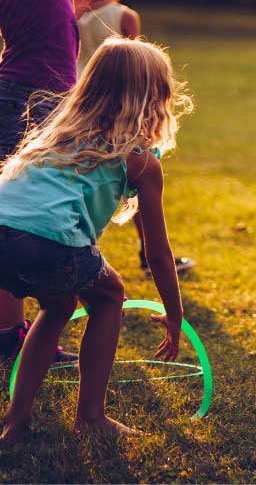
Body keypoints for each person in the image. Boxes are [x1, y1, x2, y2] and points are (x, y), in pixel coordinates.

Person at [0, 0, 214, 367]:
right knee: (36, 214)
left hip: (19, 86)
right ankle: (14, 335)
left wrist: (78, 1)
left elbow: (36, 28)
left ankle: (15, 331)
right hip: (35, 96)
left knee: (14, 212)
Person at [0, 39, 190, 442]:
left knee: (59, 306)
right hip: (48, 243)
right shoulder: (139, 159)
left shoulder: (53, 133)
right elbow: (157, 253)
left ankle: (16, 420)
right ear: (153, 99)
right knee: (108, 296)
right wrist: (174, 314)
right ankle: (90, 418)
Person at [76, 0, 196, 279]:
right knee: (140, 178)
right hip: (120, 108)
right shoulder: (125, 16)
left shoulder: (75, 12)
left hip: (79, 103)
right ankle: (150, 253)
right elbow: (134, 67)